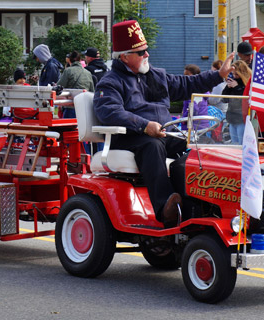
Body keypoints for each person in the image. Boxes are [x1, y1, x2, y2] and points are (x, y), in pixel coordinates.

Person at [93, 20, 234, 228]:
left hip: (163, 133)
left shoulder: (156, 75)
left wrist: (218, 75)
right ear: (124, 57)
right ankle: (164, 209)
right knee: (152, 145)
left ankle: (196, 206)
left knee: (195, 147)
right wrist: (144, 125)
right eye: (141, 52)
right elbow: (109, 112)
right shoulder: (110, 82)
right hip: (129, 137)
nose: (147, 55)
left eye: (146, 50)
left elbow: (188, 84)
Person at [57, 51, 95, 118]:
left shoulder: (68, 71)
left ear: (70, 60)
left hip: (71, 106)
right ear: (80, 60)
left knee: (68, 127)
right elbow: (92, 90)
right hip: (84, 107)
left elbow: (59, 86)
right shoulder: (88, 73)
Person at [222, 60, 251, 144]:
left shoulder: (247, 84)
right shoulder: (233, 81)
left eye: (237, 74)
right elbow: (224, 99)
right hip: (232, 117)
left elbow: (245, 99)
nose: (235, 76)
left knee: (241, 143)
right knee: (234, 143)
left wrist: (237, 88)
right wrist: (228, 87)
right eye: (233, 74)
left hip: (242, 118)